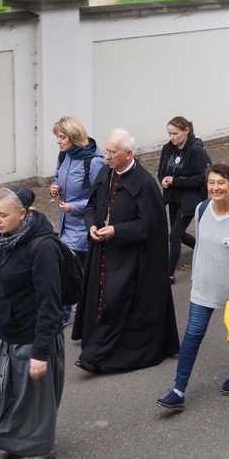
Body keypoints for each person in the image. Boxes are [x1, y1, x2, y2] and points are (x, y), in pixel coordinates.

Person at [156, 164, 229, 410]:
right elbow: (201, 247)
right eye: (212, 182)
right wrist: (196, 276)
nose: (215, 187)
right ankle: (178, 390)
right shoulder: (202, 209)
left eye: (221, 183)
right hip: (204, 286)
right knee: (192, 336)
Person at [72, 128, 179, 373]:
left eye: (111, 152)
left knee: (117, 302)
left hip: (129, 259)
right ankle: (95, 342)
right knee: (100, 297)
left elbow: (150, 226)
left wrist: (117, 231)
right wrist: (92, 227)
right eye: (106, 151)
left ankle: (101, 355)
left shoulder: (143, 183)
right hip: (102, 252)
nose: (106, 156)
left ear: (128, 153)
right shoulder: (104, 172)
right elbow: (90, 207)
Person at [0, 186, 65, 459]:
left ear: (22, 213)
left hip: (32, 335)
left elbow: (51, 304)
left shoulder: (43, 247)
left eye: (2, 214)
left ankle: (40, 448)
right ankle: (15, 438)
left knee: (34, 399)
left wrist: (40, 352)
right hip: (2, 329)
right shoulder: (5, 238)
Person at [50, 116, 106, 326]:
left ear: (74, 137)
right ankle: (75, 312)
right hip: (65, 225)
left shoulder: (94, 162)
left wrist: (75, 207)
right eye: (57, 136)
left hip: (83, 229)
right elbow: (59, 177)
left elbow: (100, 198)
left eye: (62, 137)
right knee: (71, 271)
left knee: (67, 271)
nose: (58, 141)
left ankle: (66, 315)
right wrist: (54, 187)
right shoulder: (65, 156)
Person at [157, 116, 211, 284]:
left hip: (190, 199)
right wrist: (163, 179)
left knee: (174, 236)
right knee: (178, 234)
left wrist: (177, 181)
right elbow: (161, 171)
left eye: (175, 133)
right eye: (169, 134)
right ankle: (205, 253)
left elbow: (203, 177)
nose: (172, 137)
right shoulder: (167, 149)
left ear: (186, 131)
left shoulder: (197, 150)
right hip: (173, 198)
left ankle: (169, 274)